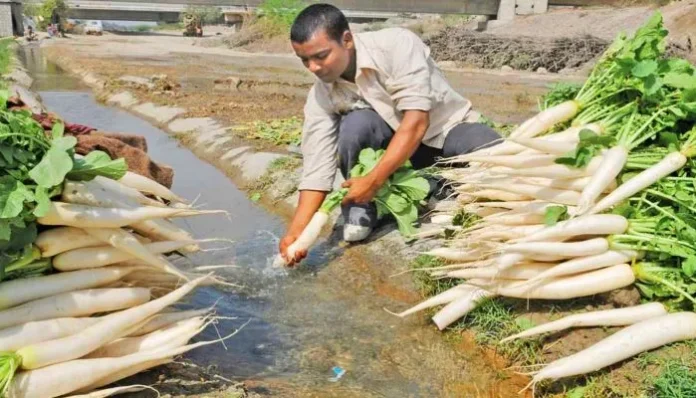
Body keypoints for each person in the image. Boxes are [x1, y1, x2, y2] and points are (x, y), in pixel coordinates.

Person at [279, 4, 500, 266]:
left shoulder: (396, 45)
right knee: (357, 125)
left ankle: (432, 185)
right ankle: (363, 208)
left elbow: (417, 121)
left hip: (446, 131)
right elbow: (317, 166)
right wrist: (297, 231)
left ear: (346, 40)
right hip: (397, 153)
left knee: (493, 152)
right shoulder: (322, 94)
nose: (313, 67)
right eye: (305, 60)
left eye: (321, 56)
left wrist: (373, 181)